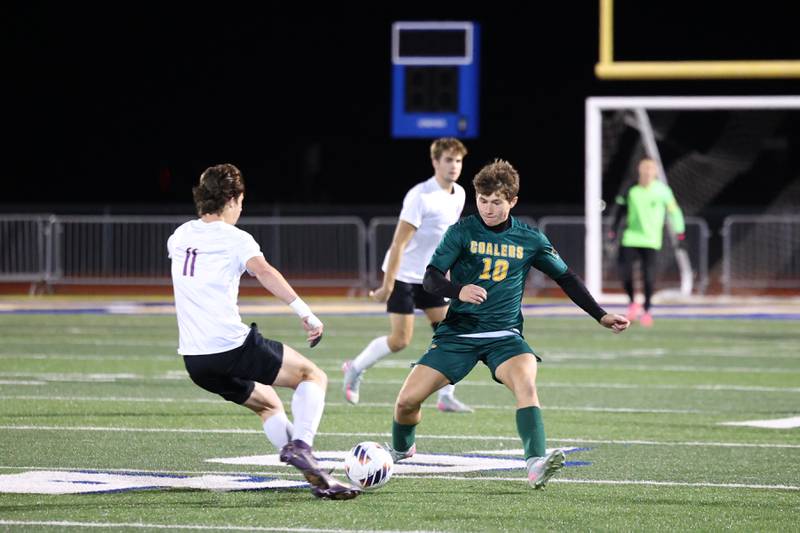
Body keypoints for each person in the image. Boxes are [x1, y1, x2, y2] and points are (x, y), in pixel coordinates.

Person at [385, 159, 630, 489]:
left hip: (505, 336)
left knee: (526, 385)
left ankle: (535, 463)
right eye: (482, 201)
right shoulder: (462, 232)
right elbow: (429, 280)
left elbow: (566, 278)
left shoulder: (530, 239)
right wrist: (459, 290)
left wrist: (600, 314)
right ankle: (401, 450)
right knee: (406, 402)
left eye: (496, 202)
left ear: (512, 201)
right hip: (458, 333)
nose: (487, 208)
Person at [167, 163, 359, 500]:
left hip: (195, 361)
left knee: (269, 404)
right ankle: (302, 445)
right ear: (233, 198)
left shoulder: (179, 236)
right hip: (229, 346)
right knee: (312, 376)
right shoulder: (236, 238)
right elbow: (264, 271)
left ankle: (317, 478)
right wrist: (306, 312)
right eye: (241, 200)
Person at [343, 138, 473, 413]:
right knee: (400, 340)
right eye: (448, 160)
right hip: (403, 274)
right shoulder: (420, 196)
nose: (454, 166)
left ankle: (446, 395)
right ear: (435, 162)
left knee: (452, 334)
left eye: (458, 161)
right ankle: (354, 369)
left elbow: (446, 240)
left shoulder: (460, 194)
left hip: (431, 277)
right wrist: (386, 286)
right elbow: (398, 243)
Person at [609, 157, 685, 327]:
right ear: (640, 171)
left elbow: (675, 211)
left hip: (651, 240)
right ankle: (632, 302)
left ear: (656, 172)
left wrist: (680, 233)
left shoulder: (663, 191)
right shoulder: (631, 189)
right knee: (625, 274)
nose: (648, 172)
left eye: (651, 169)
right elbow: (620, 210)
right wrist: (613, 230)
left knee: (649, 277)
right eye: (645, 168)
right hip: (630, 237)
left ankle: (647, 309)